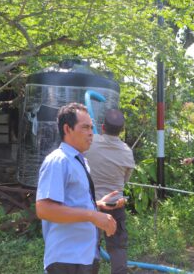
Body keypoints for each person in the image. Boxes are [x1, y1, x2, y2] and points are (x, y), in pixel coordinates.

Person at [36, 102, 118, 274]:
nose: (91, 133)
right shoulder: (58, 161)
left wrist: (97, 205)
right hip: (66, 260)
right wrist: (92, 215)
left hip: (85, 256)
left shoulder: (79, 161)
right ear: (67, 129)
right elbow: (44, 209)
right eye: (85, 127)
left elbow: (71, 202)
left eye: (92, 127)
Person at [85, 109, 135, 274]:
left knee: (90, 246)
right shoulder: (127, 152)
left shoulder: (89, 143)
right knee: (117, 247)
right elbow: (125, 180)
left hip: (92, 205)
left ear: (103, 127)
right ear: (121, 130)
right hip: (116, 205)